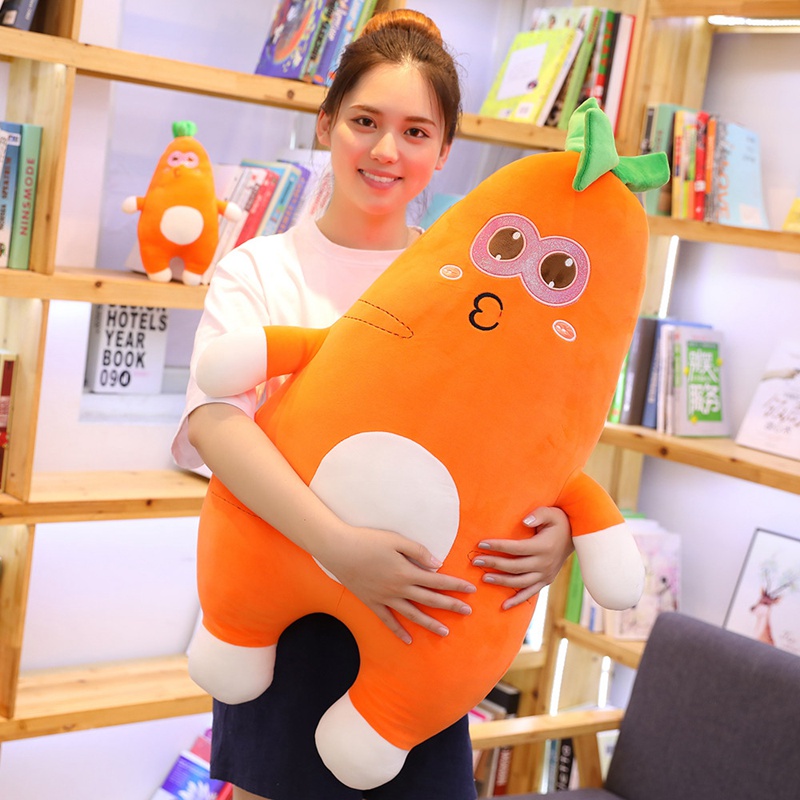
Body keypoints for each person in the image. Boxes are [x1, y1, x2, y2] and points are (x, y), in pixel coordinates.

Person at [172, 9, 574, 800]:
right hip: (285, 614)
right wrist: (339, 546)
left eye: (416, 132)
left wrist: (558, 527)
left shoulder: (474, 291)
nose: (387, 150)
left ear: (444, 151)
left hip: (423, 621)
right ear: (327, 125)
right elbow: (217, 423)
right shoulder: (261, 268)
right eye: (365, 121)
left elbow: (523, 431)